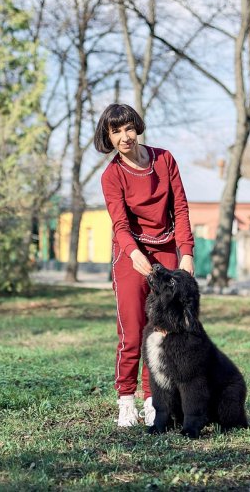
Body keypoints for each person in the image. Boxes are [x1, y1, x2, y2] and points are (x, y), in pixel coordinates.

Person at [95, 103, 195, 427]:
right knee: (133, 330)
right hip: (131, 255)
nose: (125, 137)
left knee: (162, 330)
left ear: (137, 127)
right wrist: (133, 253)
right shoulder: (112, 175)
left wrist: (186, 252)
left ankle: (155, 400)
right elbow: (120, 224)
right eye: (116, 132)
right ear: (108, 137)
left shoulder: (164, 160)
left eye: (128, 128)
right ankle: (126, 400)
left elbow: (180, 209)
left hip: (165, 250)